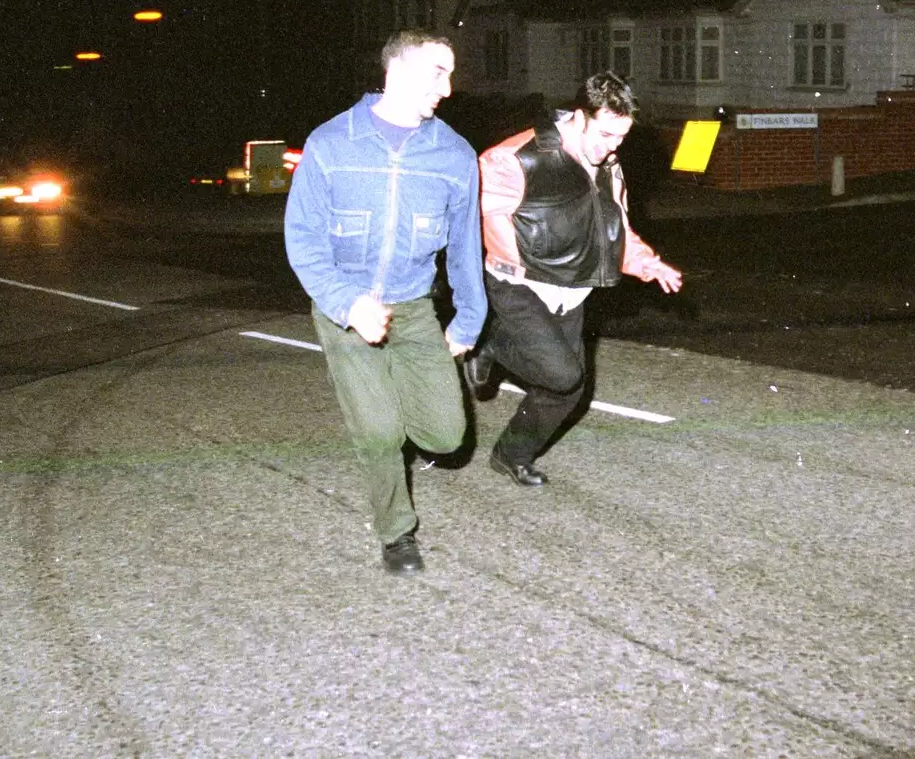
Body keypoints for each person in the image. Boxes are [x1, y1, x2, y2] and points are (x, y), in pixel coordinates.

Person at [284, 29, 486, 574]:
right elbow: (303, 239)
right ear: (396, 72)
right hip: (344, 307)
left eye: (450, 73)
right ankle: (396, 532)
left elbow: (467, 245)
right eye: (437, 72)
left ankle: (411, 412)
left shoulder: (453, 154)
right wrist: (346, 303)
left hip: (415, 306)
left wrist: (470, 320)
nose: (447, 87)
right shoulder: (331, 143)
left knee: (447, 436)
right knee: (378, 431)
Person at [465, 71, 682, 486]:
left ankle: (511, 454)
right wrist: (528, 264)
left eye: (622, 136)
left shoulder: (609, 164)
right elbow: (479, 219)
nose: (613, 146)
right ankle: (488, 340)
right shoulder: (518, 157)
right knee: (563, 373)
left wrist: (644, 262)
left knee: (568, 389)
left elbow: (610, 227)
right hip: (519, 283)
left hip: (572, 289)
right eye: (605, 134)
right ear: (579, 117)